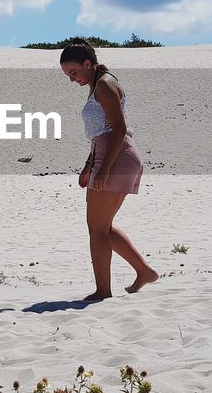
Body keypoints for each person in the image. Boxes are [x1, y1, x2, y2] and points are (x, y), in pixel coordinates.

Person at [59, 39, 158, 301]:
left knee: (97, 229)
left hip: (117, 158)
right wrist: (89, 166)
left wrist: (103, 169)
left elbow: (119, 129)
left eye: (73, 72)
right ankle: (144, 272)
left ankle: (103, 291)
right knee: (103, 226)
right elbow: (100, 134)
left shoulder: (104, 85)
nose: (72, 79)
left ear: (88, 64)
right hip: (109, 156)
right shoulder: (97, 86)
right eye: (67, 75)